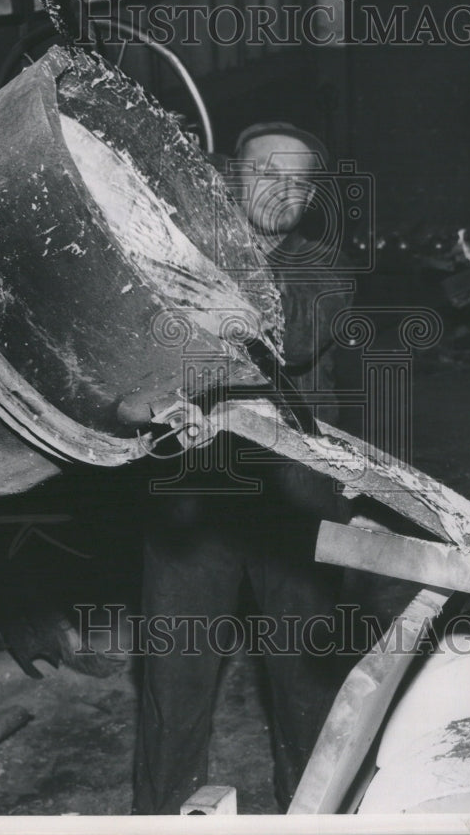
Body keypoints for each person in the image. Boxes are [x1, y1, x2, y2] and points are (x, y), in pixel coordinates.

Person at [132, 123, 354, 814]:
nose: (283, 191)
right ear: (231, 177)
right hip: (193, 504)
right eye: (267, 173)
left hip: (294, 503)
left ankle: (315, 816)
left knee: (307, 686)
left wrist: (223, 304)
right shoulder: (177, 255)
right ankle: (161, 816)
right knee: (174, 683)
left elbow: (292, 337)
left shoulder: (322, 267)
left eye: (299, 181)